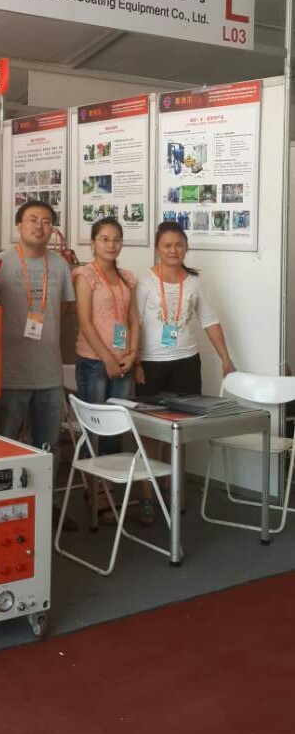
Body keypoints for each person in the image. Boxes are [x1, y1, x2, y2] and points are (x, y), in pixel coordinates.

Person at [135, 220, 236, 523]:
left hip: (187, 364)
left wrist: (225, 358)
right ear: (157, 248)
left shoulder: (193, 282)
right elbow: (133, 323)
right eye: (167, 245)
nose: (173, 250)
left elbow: (210, 321)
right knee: (151, 433)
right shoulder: (145, 280)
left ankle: (172, 491)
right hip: (152, 364)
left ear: (186, 247)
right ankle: (147, 496)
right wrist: (135, 363)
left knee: (179, 432)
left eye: (179, 245)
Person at [0, 200, 76, 527]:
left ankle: (47, 508)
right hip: (9, 373)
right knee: (3, 445)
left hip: (49, 373)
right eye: (33, 219)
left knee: (48, 448)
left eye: (47, 221)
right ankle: (1, 508)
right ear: (19, 226)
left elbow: (63, 308)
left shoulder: (60, 266)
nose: (39, 226)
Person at [73, 217, 139, 404]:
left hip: (124, 360)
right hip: (94, 361)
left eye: (117, 240)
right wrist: (107, 359)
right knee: (95, 419)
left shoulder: (126, 277)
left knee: (118, 418)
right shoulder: (85, 275)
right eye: (104, 239)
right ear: (92, 242)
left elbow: (134, 320)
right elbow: (85, 323)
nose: (111, 245)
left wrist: (133, 354)